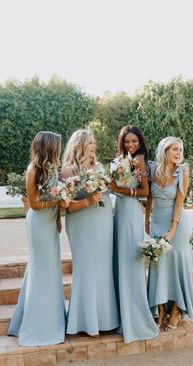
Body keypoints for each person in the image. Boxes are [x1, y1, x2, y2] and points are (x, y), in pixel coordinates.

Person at [8, 131, 66, 346]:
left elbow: (55, 195)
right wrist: (58, 200)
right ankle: (38, 325)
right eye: (57, 146)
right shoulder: (33, 169)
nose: (59, 149)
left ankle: (46, 319)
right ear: (48, 147)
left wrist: (58, 217)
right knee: (42, 271)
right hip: (38, 223)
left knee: (47, 271)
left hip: (50, 222)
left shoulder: (53, 168)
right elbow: (34, 204)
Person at [61, 129, 119, 337]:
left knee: (103, 268)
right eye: (91, 143)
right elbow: (64, 204)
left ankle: (106, 319)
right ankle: (85, 321)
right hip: (81, 222)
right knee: (86, 268)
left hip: (103, 220)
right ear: (81, 145)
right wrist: (87, 199)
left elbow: (111, 189)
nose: (95, 146)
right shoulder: (68, 170)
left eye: (95, 142)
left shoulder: (100, 166)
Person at [109, 125, 159, 343]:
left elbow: (146, 192)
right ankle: (120, 312)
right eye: (127, 142)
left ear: (140, 142)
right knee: (120, 260)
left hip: (130, 212)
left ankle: (134, 316)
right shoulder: (121, 160)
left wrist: (121, 190)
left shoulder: (138, 160)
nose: (130, 145)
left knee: (130, 261)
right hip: (119, 211)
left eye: (134, 142)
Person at [145, 136, 193, 331]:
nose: (178, 153)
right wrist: (147, 221)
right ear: (165, 150)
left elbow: (179, 203)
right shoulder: (152, 168)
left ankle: (176, 309)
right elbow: (150, 197)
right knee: (158, 265)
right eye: (174, 149)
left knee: (177, 265)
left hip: (177, 223)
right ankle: (159, 310)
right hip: (157, 222)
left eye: (180, 150)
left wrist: (173, 231)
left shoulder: (183, 171)